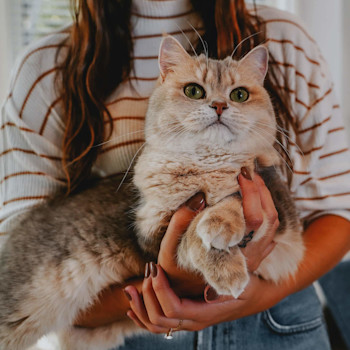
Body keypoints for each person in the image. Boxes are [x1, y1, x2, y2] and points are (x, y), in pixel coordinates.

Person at [1, 0, 350, 349]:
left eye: (239, 94)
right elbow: (20, 259)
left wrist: (248, 297)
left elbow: (340, 208)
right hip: (129, 326)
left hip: (275, 319)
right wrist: (169, 294)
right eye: (196, 91)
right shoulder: (45, 66)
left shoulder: (284, 36)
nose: (219, 105)